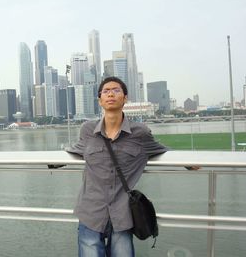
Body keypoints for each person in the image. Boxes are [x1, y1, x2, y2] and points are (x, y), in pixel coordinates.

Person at [65, 76, 169, 257]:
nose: (110, 94)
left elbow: (162, 150)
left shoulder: (140, 133)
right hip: (90, 212)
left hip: (123, 215)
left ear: (125, 98)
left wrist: (191, 165)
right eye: (105, 91)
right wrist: (54, 163)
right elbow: (74, 150)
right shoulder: (88, 130)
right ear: (100, 100)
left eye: (116, 90)